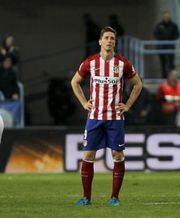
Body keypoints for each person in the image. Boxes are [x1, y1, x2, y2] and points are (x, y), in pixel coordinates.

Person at [71, 26, 142, 206]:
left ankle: (114, 198)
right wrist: (83, 102)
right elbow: (75, 82)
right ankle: (86, 198)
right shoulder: (90, 62)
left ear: (114, 42)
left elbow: (138, 84)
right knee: (88, 155)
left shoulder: (123, 63)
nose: (109, 41)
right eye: (107, 38)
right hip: (94, 117)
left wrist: (127, 105)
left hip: (115, 118)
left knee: (117, 155)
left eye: (112, 38)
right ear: (100, 41)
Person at [153, 11, 180, 78]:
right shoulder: (159, 25)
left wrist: (171, 40)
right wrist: (162, 39)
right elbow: (156, 34)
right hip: (161, 47)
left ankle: (172, 77)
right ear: (163, 17)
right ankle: (164, 77)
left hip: (170, 47)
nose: (166, 18)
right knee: (163, 63)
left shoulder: (173, 25)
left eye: (167, 16)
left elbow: (177, 34)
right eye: (165, 16)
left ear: (170, 17)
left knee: (171, 63)